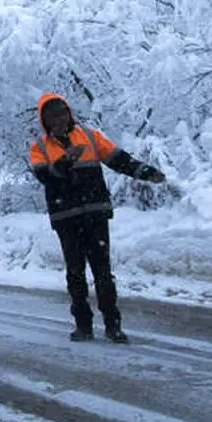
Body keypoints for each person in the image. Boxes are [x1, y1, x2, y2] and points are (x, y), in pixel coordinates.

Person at [28, 93, 166, 343]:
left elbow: (119, 160)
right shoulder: (39, 148)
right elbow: (46, 177)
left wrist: (146, 172)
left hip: (95, 215)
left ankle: (113, 326)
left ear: (69, 113)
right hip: (67, 219)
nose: (59, 118)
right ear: (44, 121)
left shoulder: (90, 137)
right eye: (52, 115)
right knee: (76, 273)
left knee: (103, 272)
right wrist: (65, 161)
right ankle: (83, 326)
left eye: (62, 112)